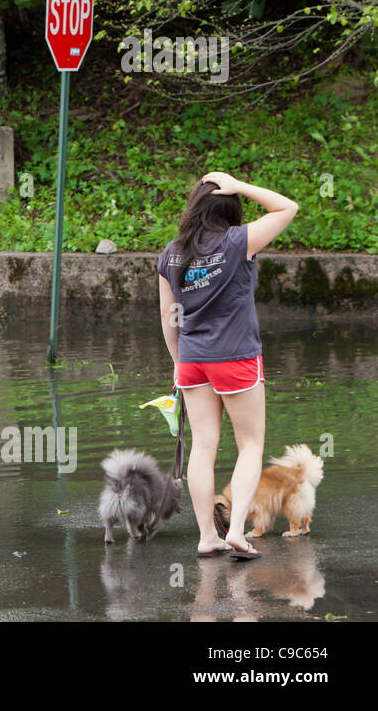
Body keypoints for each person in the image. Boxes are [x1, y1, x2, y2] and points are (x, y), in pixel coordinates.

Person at [157, 171, 298, 560]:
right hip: (235, 357)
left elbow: (170, 318)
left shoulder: (171, 253)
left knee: (203, 446)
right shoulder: (238, 241)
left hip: (192, 361)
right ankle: (236, 531)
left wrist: (177, 363)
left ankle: (206, 537)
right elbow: (288, 207)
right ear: (231, 208)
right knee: (250, 444)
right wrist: (242, 185)